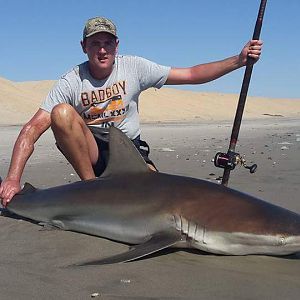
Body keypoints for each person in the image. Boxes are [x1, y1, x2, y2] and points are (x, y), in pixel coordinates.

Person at [0, 16, 263, 207]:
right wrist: (13, 179)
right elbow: (32, 129)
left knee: (159, 200)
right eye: (95, 44)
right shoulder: (71, 80)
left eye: (107, 43)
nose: (102, 49)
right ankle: (91, 190)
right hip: (90, 149)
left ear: (117, 45)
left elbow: (192, 74)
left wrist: (237, 61)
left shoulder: (135, 68)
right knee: (61, 113)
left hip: (128, 149)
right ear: (84, 47)